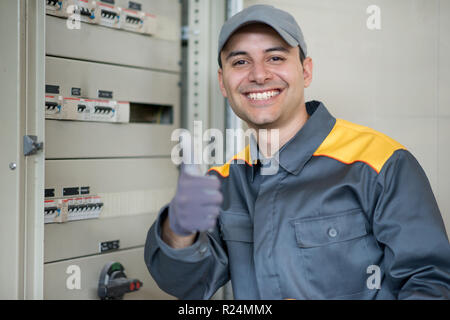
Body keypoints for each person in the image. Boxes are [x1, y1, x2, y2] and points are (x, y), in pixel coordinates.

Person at [144, 4, 450, 299]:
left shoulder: (380, 163)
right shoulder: (225, 181)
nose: (259, 75)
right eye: (240, 62)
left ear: (305, 71)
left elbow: (431, 282)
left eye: (275, 58)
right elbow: (186, 284)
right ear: (223, 83)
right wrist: (179, 230)